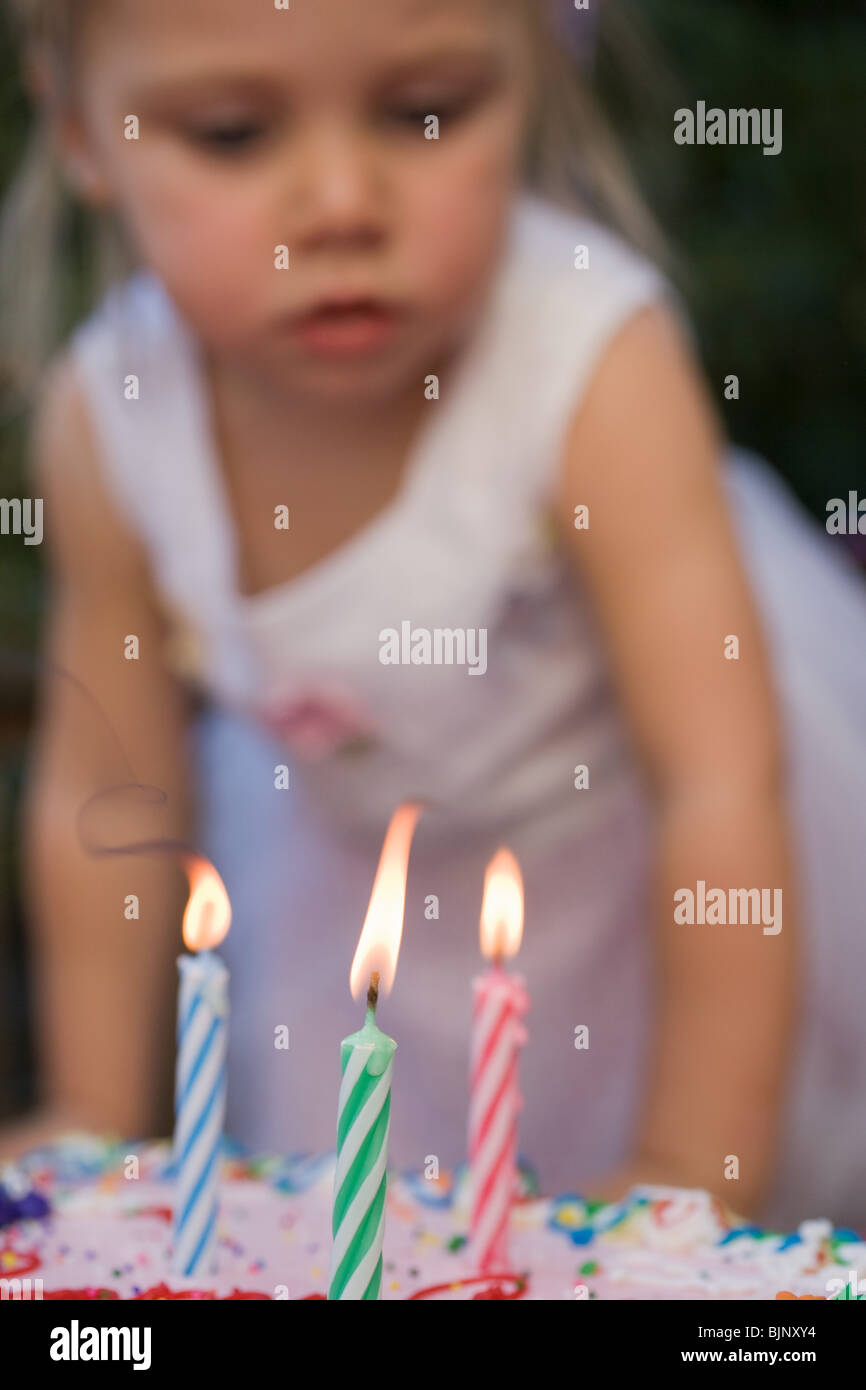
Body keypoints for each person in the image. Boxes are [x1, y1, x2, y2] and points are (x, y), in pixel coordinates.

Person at [1, 0, 864, 1231]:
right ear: (82, 130)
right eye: (236, 133)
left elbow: (716, 786)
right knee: (377, 1231)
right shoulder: (108, 418)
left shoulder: (586, 371)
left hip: (656, 907)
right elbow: (104, 781)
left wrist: (687, 1166)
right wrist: (92, 1110)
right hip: (350, 908)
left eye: (426, 113)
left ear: (531, 80)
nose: (342, 202)